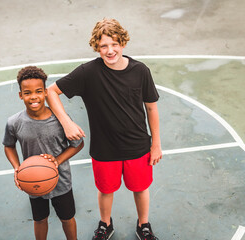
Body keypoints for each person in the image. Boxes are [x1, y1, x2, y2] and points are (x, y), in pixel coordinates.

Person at [46, 18, 162, 240]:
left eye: (114, 44)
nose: (110, 51)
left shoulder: (140, 71)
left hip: (138, 145)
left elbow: (151, 108)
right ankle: (105, 224)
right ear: (96, 47)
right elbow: (51, 92)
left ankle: (143, 224)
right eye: (103, 46)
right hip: (104, 147)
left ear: (123, 43)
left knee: (140, 188)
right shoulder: (88, 72)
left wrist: (155, 144)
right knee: (106, 190)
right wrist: (66, 122)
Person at [2, 66, 84, 240]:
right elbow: (8, 145)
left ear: (46, 93)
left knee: (67, 218)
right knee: (40, 219)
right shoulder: (14, 122)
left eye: (38, 91)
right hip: (32, 181)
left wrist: (57, 160)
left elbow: (78, 144)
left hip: (61, 181)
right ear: (20, 95)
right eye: (27, 92)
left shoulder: (61, 119)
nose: (34, 97)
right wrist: (17, 168)